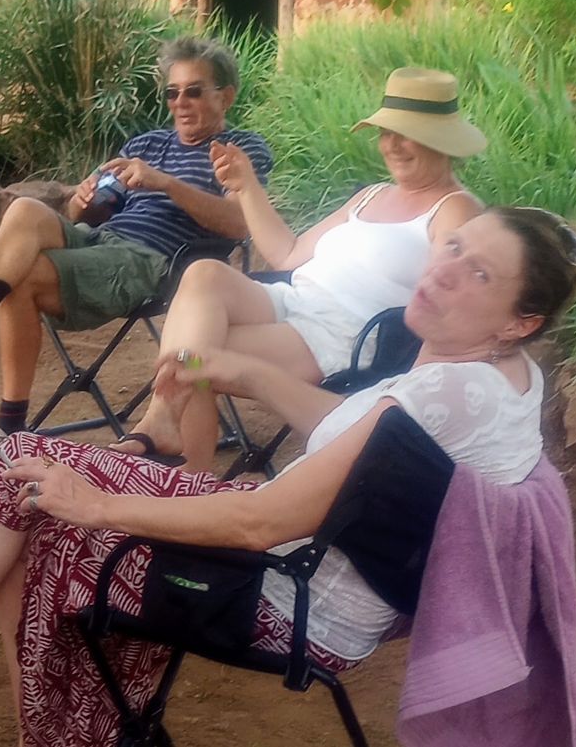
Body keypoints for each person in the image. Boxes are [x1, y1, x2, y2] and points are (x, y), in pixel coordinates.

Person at [0, 207, 576, 745]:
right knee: (25, 475)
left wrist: (99, 499)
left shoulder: (444, 390)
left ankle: (22, 719)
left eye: (476, 272)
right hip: (313, 559)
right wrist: (247, 372)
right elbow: (362, 452)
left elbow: (260, 521)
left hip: (285, 593)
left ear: (518, 319)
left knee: (44, 503)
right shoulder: (502, 381)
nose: (440, 269)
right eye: (452, 247)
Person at [0, 36, 274, 482]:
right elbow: (90, 211)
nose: (180, 102)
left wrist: (165, 184)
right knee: (24, 210)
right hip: (100, 238)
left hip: (155, 261)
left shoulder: (242, 149)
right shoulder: (148, 143)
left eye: (194, 90)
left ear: (226, 95)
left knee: (22, 279)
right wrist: (83, 201)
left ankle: (6, 428)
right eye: (172, 92)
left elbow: (240, 224)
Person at [115, 66, 484, 471]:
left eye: (404, 133)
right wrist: (247, 185)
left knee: (196, 350)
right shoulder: (372, 194)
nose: (391, 145)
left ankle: (186, 471)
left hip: (345, 333)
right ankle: (173, 440)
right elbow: (288, 255)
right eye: (385, 132)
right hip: (294, 300)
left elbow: (449, 301)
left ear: (440, 140)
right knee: (204, 273)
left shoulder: (455, 209)